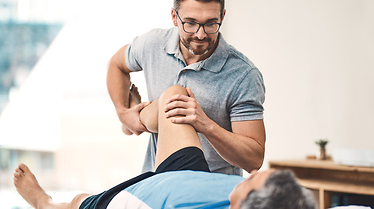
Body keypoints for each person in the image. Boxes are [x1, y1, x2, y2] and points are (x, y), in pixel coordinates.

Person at [14, 85, 316, 209]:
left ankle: (44, 202)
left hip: (151, 195)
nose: (248, 175)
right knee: (175, 97)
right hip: (190, 174)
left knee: (80, 201)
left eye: (251, 182)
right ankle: (135, 120)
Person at [106, 0, 266, 175]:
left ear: (222, 17)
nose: (200, 34)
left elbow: (254, 159)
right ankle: (133, 122)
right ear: (174, 17)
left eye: (211, 23)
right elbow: (116, 64)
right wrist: (123, 112)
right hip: (157, 183)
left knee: (174, 96)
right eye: (190, 23)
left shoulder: (243, 75)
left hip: (211, 192)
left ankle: (135, 122)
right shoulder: (153, 44)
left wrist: (205, 124)